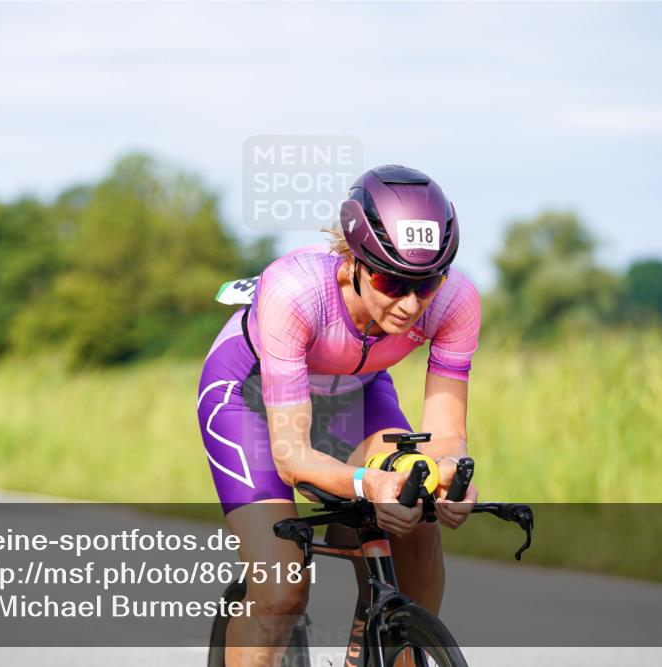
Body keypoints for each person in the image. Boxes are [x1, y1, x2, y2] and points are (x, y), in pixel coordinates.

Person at [197, 165, 481, 666]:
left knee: (417, 497)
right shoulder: (296, 290)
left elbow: (447, 439)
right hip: (250, 395)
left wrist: (453, 478)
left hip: (358, 387)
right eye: (391, 281)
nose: (411, 304)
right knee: (282, 591)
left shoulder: (457, 302)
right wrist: (366, 484)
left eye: (427, 282)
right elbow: (290, 455)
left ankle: (396, 640)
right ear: (353, 260)